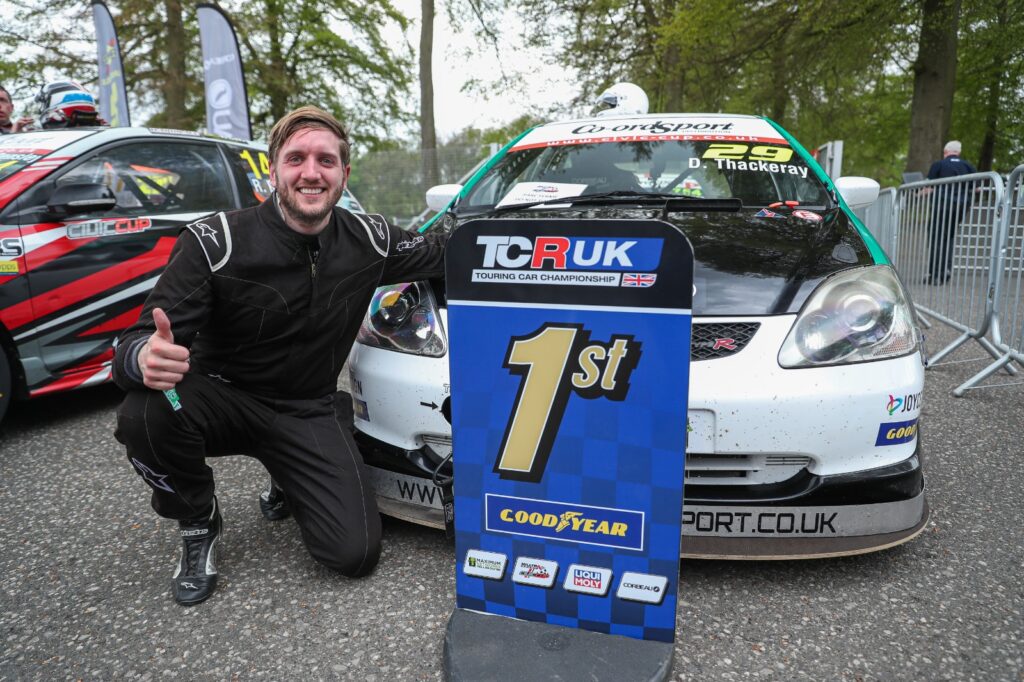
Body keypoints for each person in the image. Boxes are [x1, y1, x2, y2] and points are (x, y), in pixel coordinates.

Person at [112, 105, 448, 605]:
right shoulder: (214, 242)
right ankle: (197, 518)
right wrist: (141, 357)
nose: (311, 173)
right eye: (296, 159)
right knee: (147, 408)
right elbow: (134, 341)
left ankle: (292, 464)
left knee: (353, 555)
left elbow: (450, 251)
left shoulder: (372, 240)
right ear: (273, 170)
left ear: (344, 174)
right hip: (221, 400)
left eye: (325, 161)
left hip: (305, 410)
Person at [925, 140, 976, 284]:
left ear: (945, 151)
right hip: (960, 207)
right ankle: (946, 270)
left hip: (941, 206)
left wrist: (917, 193)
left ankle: (935, 274)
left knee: (936, 238)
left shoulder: (939, 165)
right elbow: (977, 187)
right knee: (949, 238)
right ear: (958, 152)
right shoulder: (968, 166)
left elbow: (928, 187)